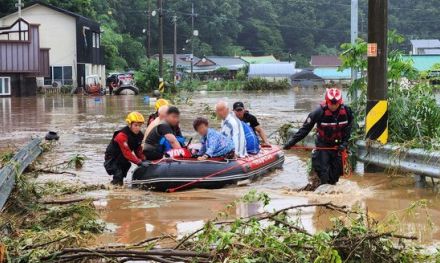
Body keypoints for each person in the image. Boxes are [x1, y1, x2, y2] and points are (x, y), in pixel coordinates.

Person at [283, 88, 353, 189]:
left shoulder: (347, 111)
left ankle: (332, 192)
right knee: (323, 173)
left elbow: (349, 128)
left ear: (340, 102)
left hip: (338, 146)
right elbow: (304, 130)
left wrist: (345, 143)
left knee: (335, 175)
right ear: (326, 101)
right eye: (331, 104)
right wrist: (291, 143)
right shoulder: (318, 112)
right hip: (323, 146)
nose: (333, 106)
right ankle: (322, 193)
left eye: (336, 104)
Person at [104, 112, 147, 186]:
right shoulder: (121, 135)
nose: (138, 128)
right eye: (135, 125)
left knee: (121, 178)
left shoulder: (140, 135)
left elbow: (138, 150)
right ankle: (111, 190)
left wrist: (144, 159)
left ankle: (118, 192)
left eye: (140, 126)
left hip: (122, 159)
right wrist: (139, 162)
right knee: (118, 175)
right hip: (112, 158)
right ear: (130, 125)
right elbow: (127, 152)